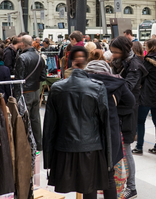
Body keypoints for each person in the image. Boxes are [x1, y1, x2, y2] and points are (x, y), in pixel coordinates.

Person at [42, 68, 111, 197]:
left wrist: (48, 160)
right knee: (89, 188)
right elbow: (105, 125)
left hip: (64, 147)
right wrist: (108, 158)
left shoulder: (57, 88)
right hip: (91, 147)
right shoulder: (97, 87)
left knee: (77, 186)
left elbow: (49, 126)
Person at [85, 60, 136, 199]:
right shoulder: (117, 83)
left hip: (87, 132)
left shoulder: (82, 83)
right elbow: (131, 103)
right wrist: (112, 109)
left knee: (90, 178)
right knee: (109, 175)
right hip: (110, 130)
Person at [110, 36, 147, 199]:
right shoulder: (120, 62)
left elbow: (127, 87)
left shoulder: (135, 66)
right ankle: (117, 183)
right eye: (112, 52)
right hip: (118, 110)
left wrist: (110, 81)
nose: (113, 55)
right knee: (118, 149)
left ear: (124, 51)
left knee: (126, 149)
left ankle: (131, 187)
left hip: (128, 111)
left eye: (116, 52)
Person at [14, 35, 47, 151]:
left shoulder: (22, 58)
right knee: (35, 119)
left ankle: (25, 146)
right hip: (35, 91)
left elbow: (19, 79)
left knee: (23, 119)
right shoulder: (39, 57)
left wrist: (17, 96)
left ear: (22, 44)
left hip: (25, 92)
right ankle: (38, 144)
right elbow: (43, 76)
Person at [135, 39, 156, 155]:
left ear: (151, 47)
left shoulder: (148, 60)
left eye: (146, 46)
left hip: (146, 94)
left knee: (140, 121)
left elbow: (141, 76)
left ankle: (139, 147)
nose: (145, 48)